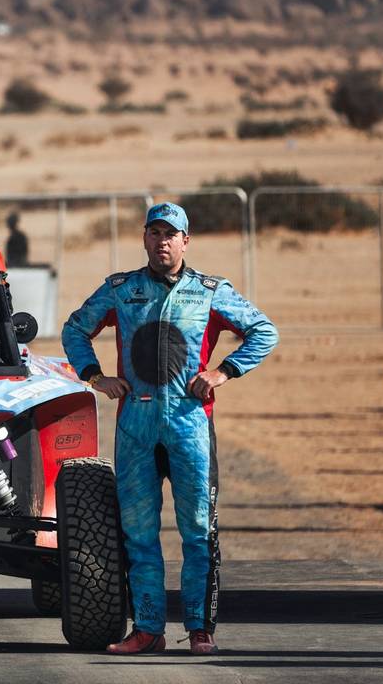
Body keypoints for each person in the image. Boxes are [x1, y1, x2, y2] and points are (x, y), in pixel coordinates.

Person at [61, 202, 278, 656]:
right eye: (154, 233)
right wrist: (95, 376)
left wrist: (224, 371)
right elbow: (75, 328)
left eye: (171, 234)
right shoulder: (121, 289)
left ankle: (200, 630)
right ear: (144, 239)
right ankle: (147, 629)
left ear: (186, 240)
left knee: (198, 530)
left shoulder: (211, 291)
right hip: (135, 428)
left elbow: (264, 330)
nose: (162, 241)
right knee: (138, 534)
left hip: (189, 426)